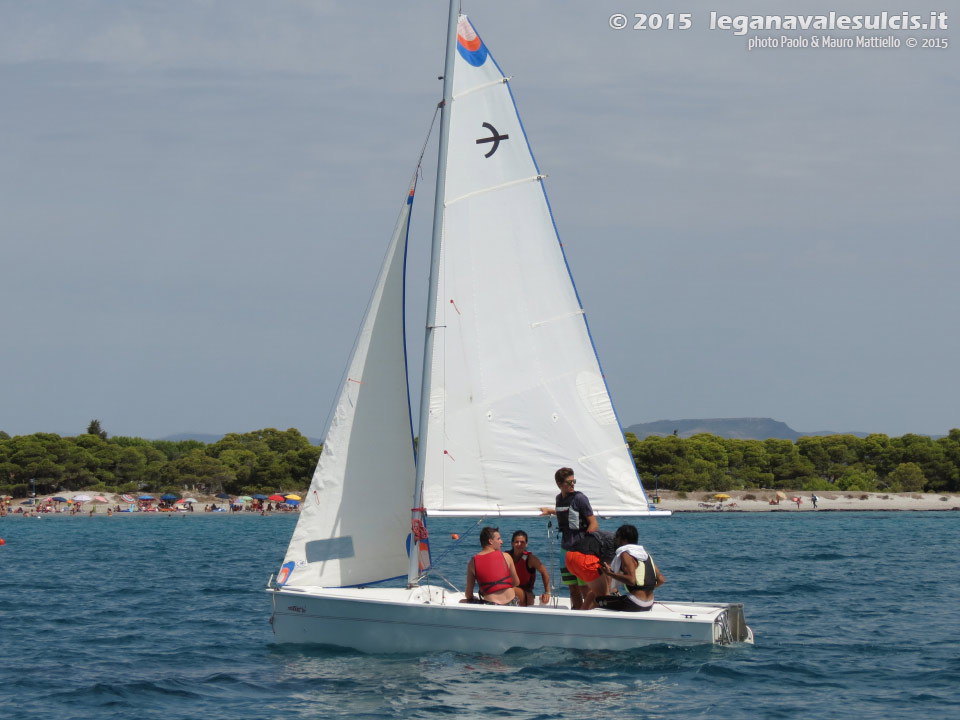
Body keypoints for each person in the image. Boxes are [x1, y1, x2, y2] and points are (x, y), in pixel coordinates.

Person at [540, 467, 612, 610]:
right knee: (573, 588)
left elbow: (593, 523)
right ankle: (576, 614)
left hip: (581, 552)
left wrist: (586, 543)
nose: (572, 485)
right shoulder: (558, 499)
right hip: (565, 551)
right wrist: (550, 511)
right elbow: (566, 513)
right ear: (559, 484)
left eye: (574, 482)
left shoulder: (580, 498)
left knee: (585, 588)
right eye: (569, 482)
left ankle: (588, 614)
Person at [597, 524, 664, 612]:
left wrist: (610, 574)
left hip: (634, 603)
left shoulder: (625, 554)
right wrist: (645, 589)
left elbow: (631, 580)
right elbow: (661, 580)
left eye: (617, 537)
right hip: (649, 603)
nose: (616, 541)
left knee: (598, 601)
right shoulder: (645, 554)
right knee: (618, 598)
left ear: (624, 540)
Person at [462, 527, 524, 606]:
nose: (501, 542)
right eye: (499, 539)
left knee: (462, 601)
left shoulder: (473, 562)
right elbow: (516, 582)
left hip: (491, 604)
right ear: (490, 541)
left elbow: (469, 594)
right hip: (512, 603)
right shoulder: (506, 556)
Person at [509, 530, 551, 606]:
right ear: (512, 543)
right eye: (516, 542)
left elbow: (544, 572)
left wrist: (547, 592)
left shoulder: (530, 559)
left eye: (522, 542)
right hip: (509, 592)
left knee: (508, 589)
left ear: (526, 544)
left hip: (526, 595)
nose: (519, 544)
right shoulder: (506, 556)